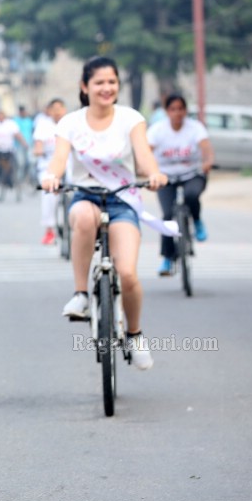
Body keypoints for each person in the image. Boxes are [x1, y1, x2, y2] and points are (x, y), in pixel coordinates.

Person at [41, 56, 171, 371]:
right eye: (99, 82)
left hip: (122, 198)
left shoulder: (131, 119)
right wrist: (51, 177)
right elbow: (59, 160)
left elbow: (144, 157)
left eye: (112, 81)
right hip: (86, 194)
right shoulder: (70, 123)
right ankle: (82, 295)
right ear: (85, 87)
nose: (106, 88)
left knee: (127, 274)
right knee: (83, 218)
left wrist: (154, 175)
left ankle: (135, 334)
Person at [147, 93, 214, 276]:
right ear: (167, 111)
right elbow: (146, 152)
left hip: (192, 174)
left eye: (180, 109)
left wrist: (208, 162)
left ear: (186, 110)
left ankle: (197, 220)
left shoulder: (195, 128)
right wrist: (146, 170)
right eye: (173, 109)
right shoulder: (157, 130)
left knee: (192, 195)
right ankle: (168, 258)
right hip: (165, 177)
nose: (177, 113)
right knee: (168, 215)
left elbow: (206, 148)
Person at [33, 99, 68, 245]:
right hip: (48, 166)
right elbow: (38, 144)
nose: (58, 112)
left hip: (69, 166)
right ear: (49, 111)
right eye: (54, 109)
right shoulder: (43, 126)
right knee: (48, 194)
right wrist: (39, 150)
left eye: (60, 108)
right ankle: (49, 229)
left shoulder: (70, 124)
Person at [0, 109, 27, 190]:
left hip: (9, 149)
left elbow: (17, 134)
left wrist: (24, 143)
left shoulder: (10, 124)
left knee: (13, 163)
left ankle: (10, 178)